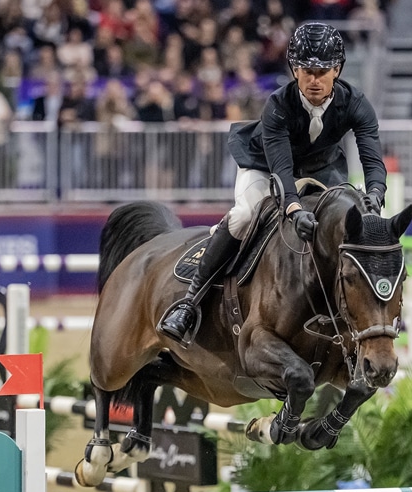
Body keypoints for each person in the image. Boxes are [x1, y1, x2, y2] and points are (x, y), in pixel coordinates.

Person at [158, 22, 388, 344]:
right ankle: (189, 302)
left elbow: (372, 159)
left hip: (321, 167)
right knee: (244, 216)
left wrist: (375, 194)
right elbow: (281, 169)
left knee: (345, 222)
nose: (314, 80)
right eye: (307, 71)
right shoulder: (279, 105)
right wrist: (294, 209)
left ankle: (363, 311)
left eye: (323, 71)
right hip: (264, 165)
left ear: (337, 70)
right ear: (294, 69)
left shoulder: (356, 103)